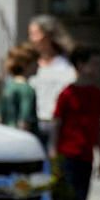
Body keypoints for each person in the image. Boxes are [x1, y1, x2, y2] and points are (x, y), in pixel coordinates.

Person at [52, 44, 100, 200]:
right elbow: (57, 123)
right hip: (68, 153)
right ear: (80, 65)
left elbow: (99, 128)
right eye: (94, 64)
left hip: (86, 155)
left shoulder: (97, 95)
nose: (97, 69)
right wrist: (54, 152)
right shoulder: (67, 93)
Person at [27, 14, 76, 143]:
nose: (31, 39)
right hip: (33, 128)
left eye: (35, 34)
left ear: (47, 36)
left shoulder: (65, 65)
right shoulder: (29, 65)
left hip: (58, 129)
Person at [0, 43, 42, 141]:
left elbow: (0, 117)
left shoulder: (8, 87)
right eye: (36, 62)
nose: (38, 65)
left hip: (7, 138)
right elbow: (24, 121)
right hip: (23, 142)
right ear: (26, 64)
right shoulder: (27, 90)